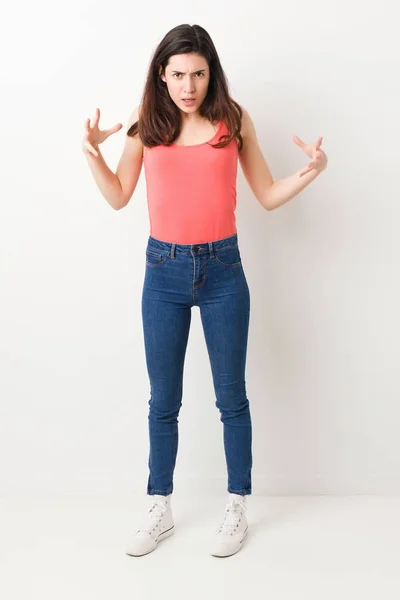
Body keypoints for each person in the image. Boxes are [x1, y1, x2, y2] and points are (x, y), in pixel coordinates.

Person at [82, 23, 328, 559]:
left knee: (230, 397)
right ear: (161, 75)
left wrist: (310, 172)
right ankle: (159, 507)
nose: (188, 85)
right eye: (177, 74)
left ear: (210, 72)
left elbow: (264, 193)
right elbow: (120, 196)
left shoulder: (233, 120)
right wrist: (92, 153)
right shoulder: (147, 124)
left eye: (197, 73)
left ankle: (237, 505)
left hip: (223, 271)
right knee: (162, 400)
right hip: (163, 271)